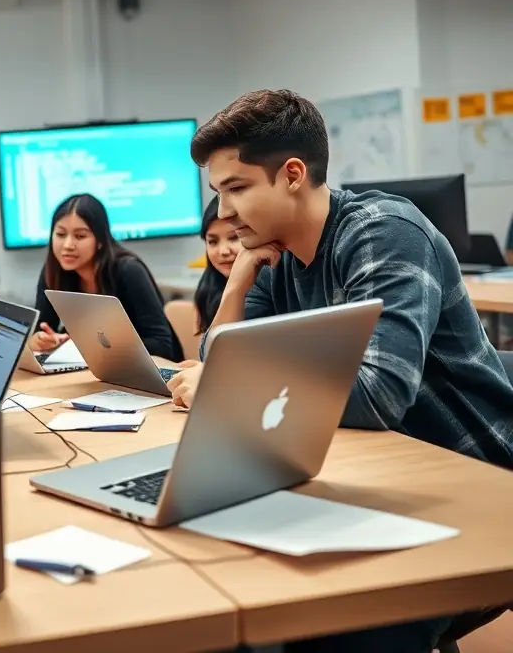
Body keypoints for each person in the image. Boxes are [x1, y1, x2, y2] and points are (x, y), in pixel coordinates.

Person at [170, 88, 513, 652]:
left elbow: (380, 394)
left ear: (293, 174)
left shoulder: (383, 234)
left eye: (236, 189)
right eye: (218, 193)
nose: (224, 213)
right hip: (379, 483)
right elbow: (218, 362)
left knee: (310, 628)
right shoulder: (275, 257)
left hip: (477, 492)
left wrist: (234, 383)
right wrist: (238, 281)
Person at [31, 193, 184, 362]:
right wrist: (42, 340)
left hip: (151, 370)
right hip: (94, 371)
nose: (67, 245)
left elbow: (162, 345)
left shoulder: (128, 270)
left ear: (100, 240)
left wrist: (86, 347)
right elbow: (42, 329)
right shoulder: (54, 270)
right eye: (60, 235)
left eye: (80, 236)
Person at [194, 196, 239, 334]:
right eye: (213, 242)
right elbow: (213, 350)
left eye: (234, 238)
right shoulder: (208, 289)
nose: (223, 251)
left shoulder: (270, 286)